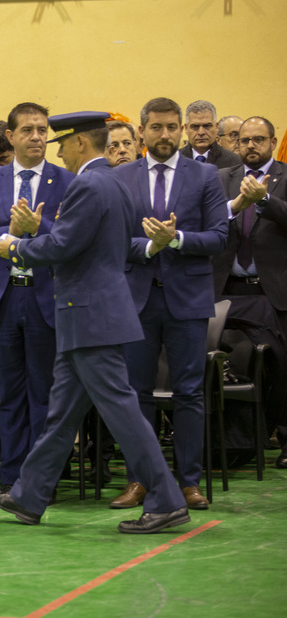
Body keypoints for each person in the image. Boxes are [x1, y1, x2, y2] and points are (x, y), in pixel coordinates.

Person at [0, 110, 190, 534]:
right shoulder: (115, 183)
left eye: (62, 144)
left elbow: (63, 245)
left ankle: (167, 500)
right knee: (61, 414)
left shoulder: (89, 183)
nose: (59, 151)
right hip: (91, 314)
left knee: (124, 413)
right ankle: (29, 494)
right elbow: (96, 244)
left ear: (81, 142)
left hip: (89, 314)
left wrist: (15, 246)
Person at [112, 97, 228, 511]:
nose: (165, 135)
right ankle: (139, 480)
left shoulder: (206, 175)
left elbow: (218, 236)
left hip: (188, 299)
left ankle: (190, 481)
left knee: (190, 394)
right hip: (137, 300)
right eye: (156, 127)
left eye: (171, 127)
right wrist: (148, 246)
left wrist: (176, 239)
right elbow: (112, 240)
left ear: (181, 130)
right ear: (141, 130)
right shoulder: (121, 177)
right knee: (134, 394)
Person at [0, 102, 74, 492]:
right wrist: (8, 230)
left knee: (44, 395)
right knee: (10, 395)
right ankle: (12, 481)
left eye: (42, 130)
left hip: (46, 297)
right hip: (3, 298)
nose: (37, 137)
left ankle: (42, 482)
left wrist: (38, 225)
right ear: (10, 137)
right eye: (27, 130)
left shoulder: (66, 181)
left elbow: (71, 239)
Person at [211, 116, 287, 469]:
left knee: (282, 368)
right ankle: (230, 443)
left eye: (259, 139)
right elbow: (208, 222)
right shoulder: (222, 179)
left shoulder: (285, 177)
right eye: (244, 140)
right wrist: (237, 205)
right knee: (227, 365)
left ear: (272, 142)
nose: (251, 146)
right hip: (226, 289)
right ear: (235, 143)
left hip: (273, 292)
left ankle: (283, 438)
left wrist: (266, 200)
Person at [178, 100, 241, 169]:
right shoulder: (174, 160)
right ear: (186, 128)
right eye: (195, 126)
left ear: (217, 127)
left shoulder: (235, 162)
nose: (201, 132)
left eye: (207, 126)